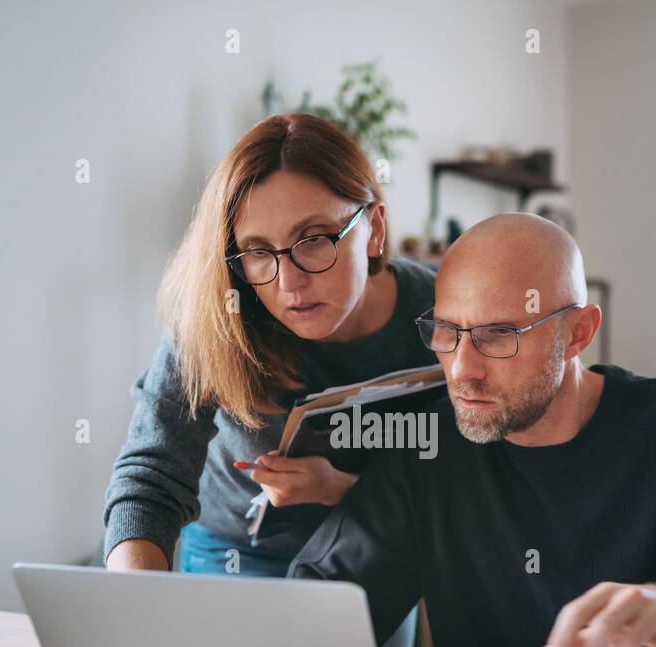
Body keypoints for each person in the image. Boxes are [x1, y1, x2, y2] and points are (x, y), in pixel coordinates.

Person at [289, 213, 656, 647]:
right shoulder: (428, 444)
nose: (462, 369)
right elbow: (312, 623)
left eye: (499, 335)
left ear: (577, 333)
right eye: (448, 332)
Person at [103, 113, 436, 575]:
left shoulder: (444, 316)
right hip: (235, 549)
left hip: (382, 547)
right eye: (259, 252)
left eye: (315, 239)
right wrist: (129, 599)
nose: (289, 281)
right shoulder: (218, 312)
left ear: (374, 229)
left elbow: (477, 481)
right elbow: (152, 475)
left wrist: (344, 489)